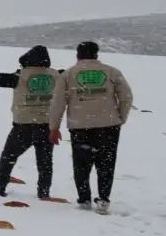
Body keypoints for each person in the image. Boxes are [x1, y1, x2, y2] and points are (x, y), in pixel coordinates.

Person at [49, 41, 133, 214]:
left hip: (80, 126)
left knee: (81, 164)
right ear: (96, 54)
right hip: (109, 125)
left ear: (78, 55)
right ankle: (103, 200)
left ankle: (84, 199)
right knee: (106, 164)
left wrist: (54, 127)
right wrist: (120, 118)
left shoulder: (68, 75)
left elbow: (58, 103)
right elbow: (126, 96)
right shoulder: (112, 72)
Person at [0, 45, 63, 199]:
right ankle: (43, 193)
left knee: (8, 157)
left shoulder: (20, 76)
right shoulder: (56, 76)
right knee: (45, 163)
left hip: (23, 125)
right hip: (47, 126)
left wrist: (16, 75)